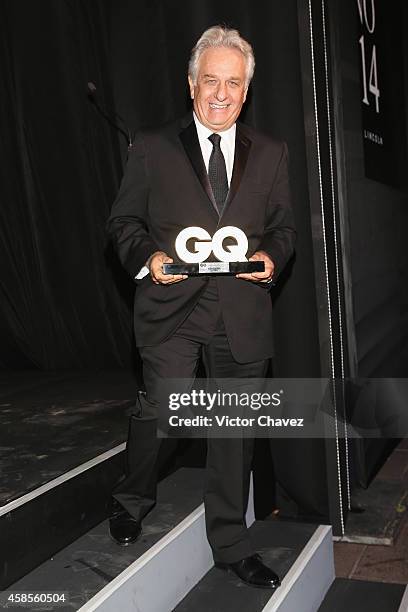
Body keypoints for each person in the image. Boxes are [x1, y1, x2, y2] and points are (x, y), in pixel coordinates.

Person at [107, 25, 295, 590]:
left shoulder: (273, 152)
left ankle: (231, 543)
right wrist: (148, 258)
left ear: (247, 90)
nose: (221, 93)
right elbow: (123, 223)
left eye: (233, 83)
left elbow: (284, 228)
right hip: (172, 308)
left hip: (241, 313)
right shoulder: (153, 145)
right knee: (164, 409)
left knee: (233, 430)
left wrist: (271, 258)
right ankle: (132, 496)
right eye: (210, 80)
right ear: (191, 85)